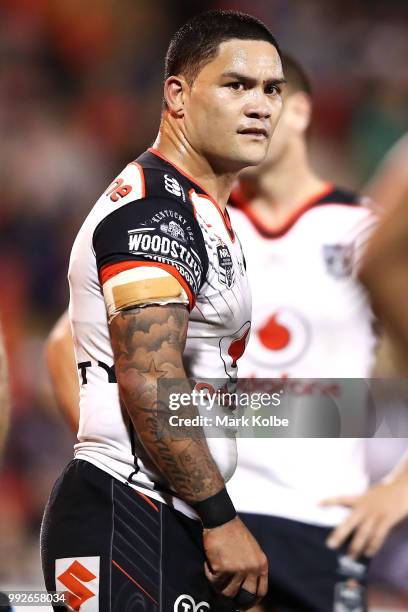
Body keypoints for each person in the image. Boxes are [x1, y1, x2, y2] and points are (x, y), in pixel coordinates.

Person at [41, 10, 285, 612]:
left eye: (271, 89)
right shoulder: (156, 212)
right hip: (130, 513)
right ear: (177, 94)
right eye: (237, 85)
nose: (260, 106)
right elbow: (150, 377)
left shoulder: (199, 209)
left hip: (167, 513)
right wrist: (221, 518)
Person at [227, 55, 408, 612]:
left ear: (302, 110)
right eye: (234, 101)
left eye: (266, 101)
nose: (249, 116)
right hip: (212, 515)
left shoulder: (368, 232)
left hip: (324, 521)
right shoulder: (195, 227)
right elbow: (71, 343)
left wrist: (400, 489)